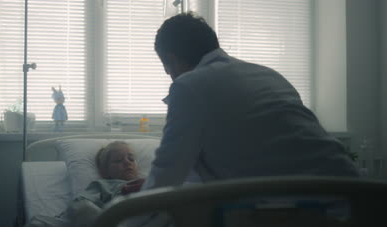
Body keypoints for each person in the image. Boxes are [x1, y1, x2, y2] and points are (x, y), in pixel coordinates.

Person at [142, 12, 360, 190]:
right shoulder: (268, 75)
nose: (169, 75)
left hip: (302, 212)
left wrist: (123, 226)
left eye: (167, 69)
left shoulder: (188, 87)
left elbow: (167, 174)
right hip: (361, 195)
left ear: (171, 59)